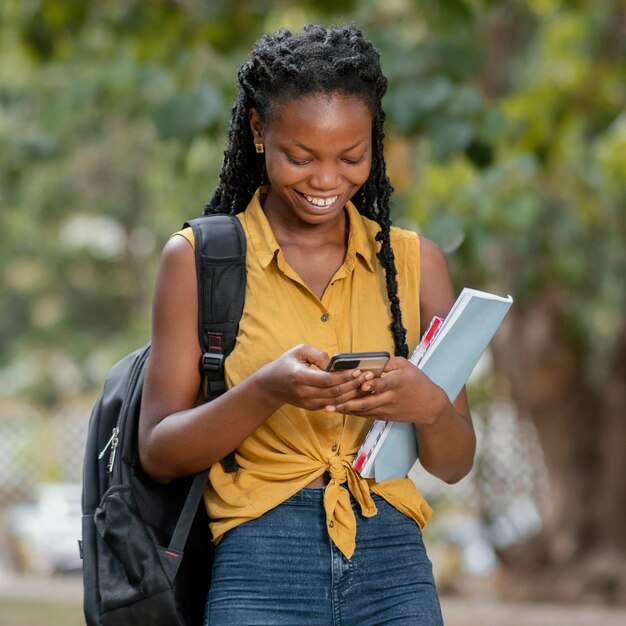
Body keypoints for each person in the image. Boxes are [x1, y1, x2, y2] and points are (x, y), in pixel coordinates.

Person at [138, 24, 475, 625]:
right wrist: (268, 390)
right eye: (300, 157)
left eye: (352, 157)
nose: (326, 181)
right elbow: (159, 451)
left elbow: (455, 461)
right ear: (259, 131)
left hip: (394, 562)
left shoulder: (417, 264)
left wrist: (425, 403)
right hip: (260, 560)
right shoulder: (199, 260)